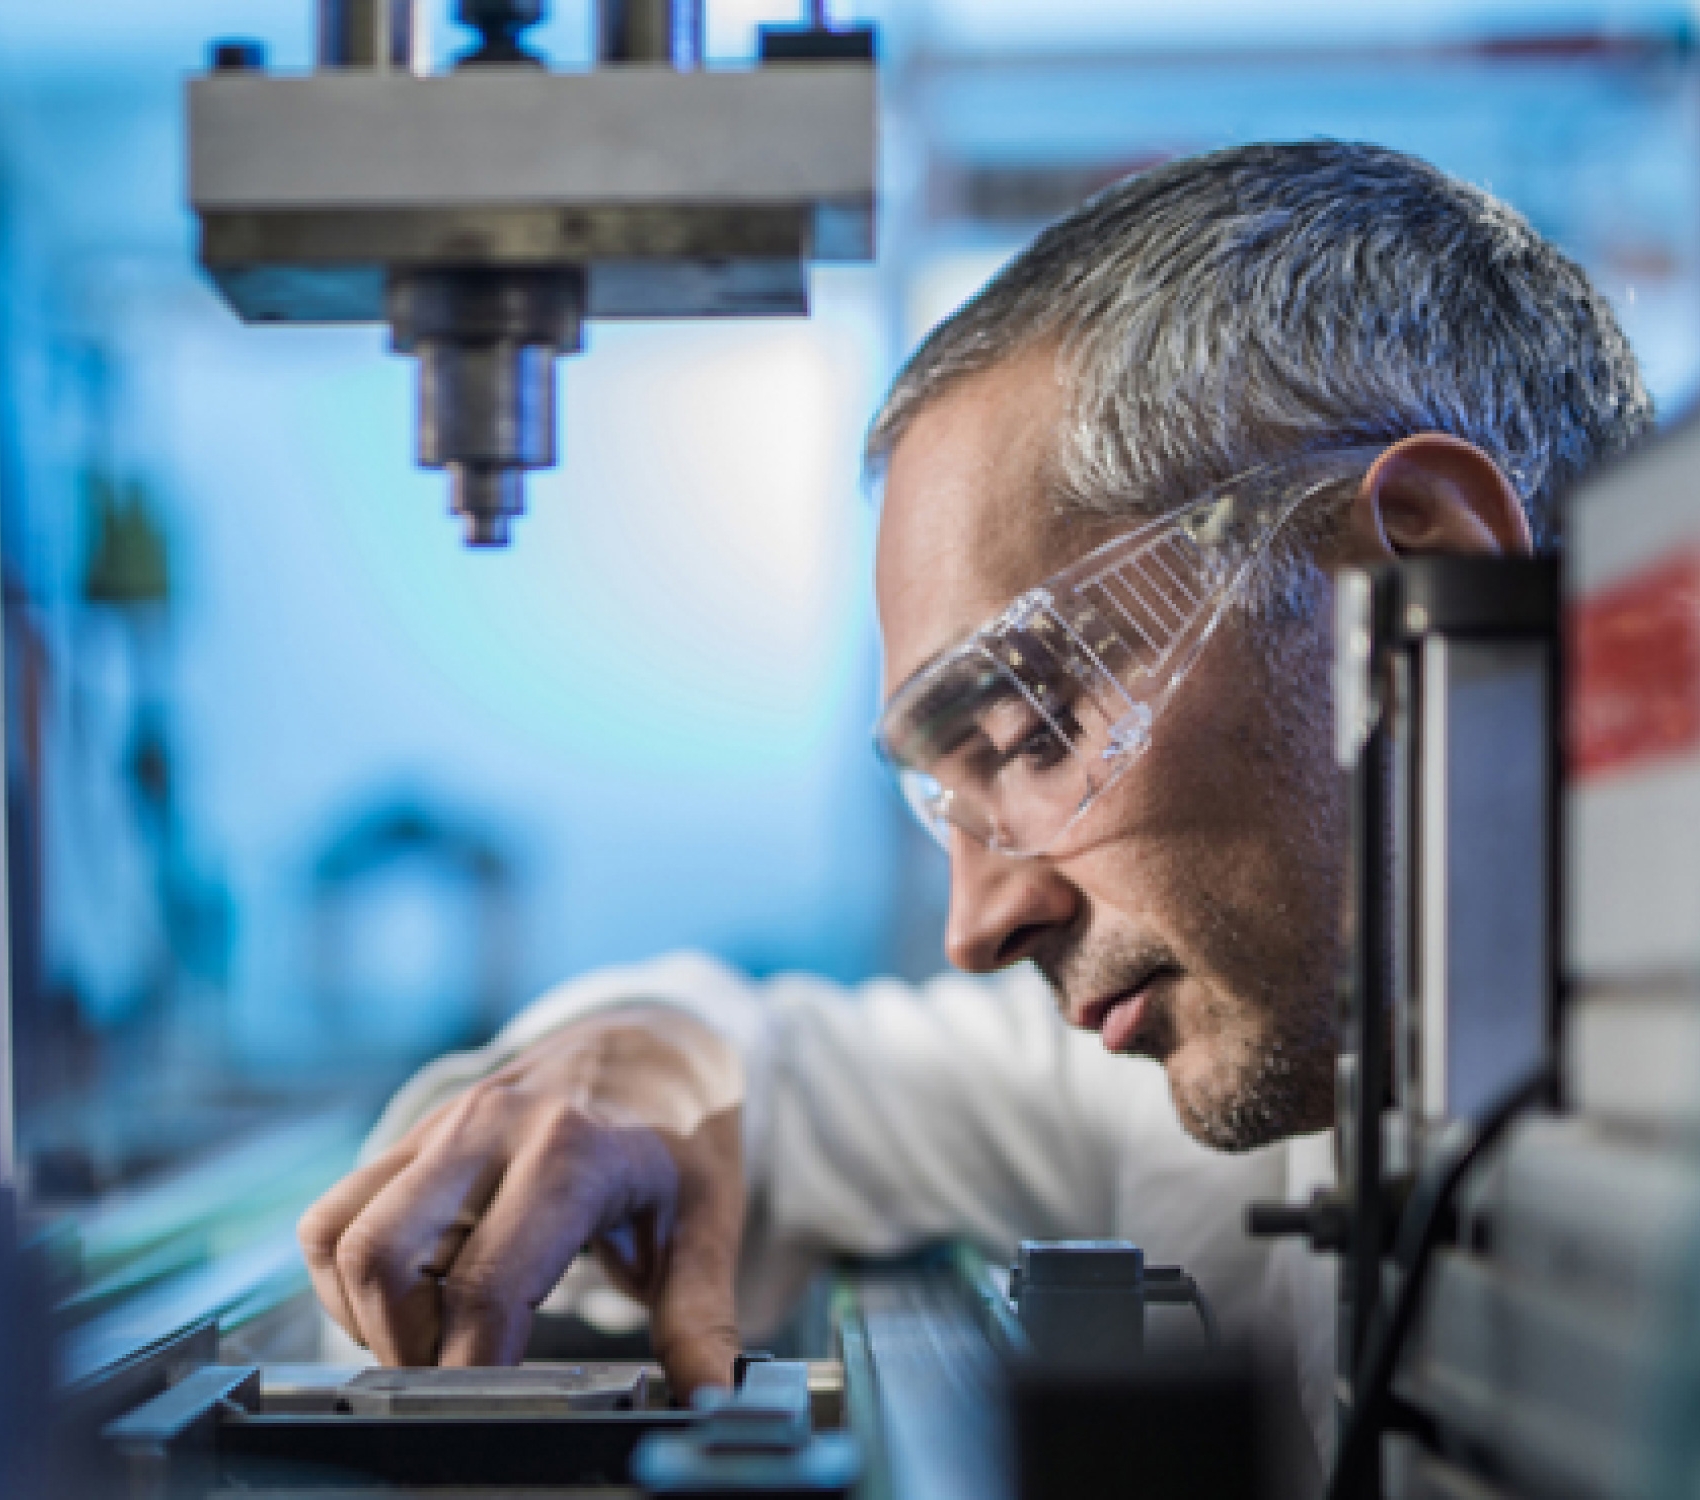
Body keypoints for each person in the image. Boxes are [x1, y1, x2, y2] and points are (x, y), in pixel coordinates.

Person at [296, 140, 1652, 1467]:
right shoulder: (1276, 1061)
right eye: (947, 797)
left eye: (1031, 728)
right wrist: (648, 1056)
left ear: (1416, 569)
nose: (978, 924)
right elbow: (792, 1078)